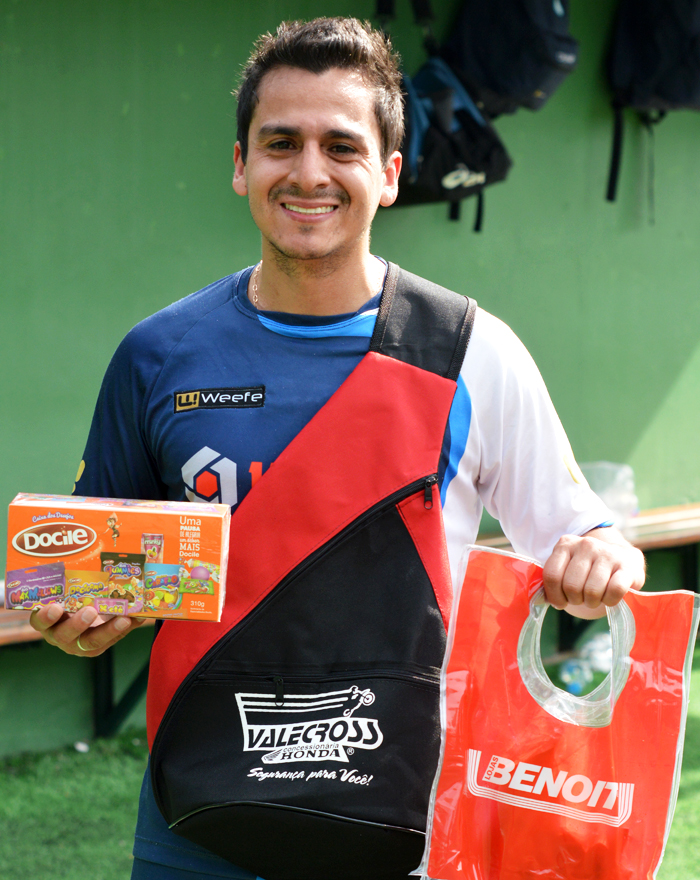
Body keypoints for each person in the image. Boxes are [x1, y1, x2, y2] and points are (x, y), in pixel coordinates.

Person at [29, 17, 645, 880]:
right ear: (241, 164)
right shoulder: (158, 355)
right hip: (196, 818)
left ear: (390, 174)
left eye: (341, 146)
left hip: (406, 820)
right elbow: (90, 573)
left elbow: (587, 536)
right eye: (280, 142)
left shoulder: (472, 349)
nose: (308, 172)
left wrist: (600, 558)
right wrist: (79, 625)